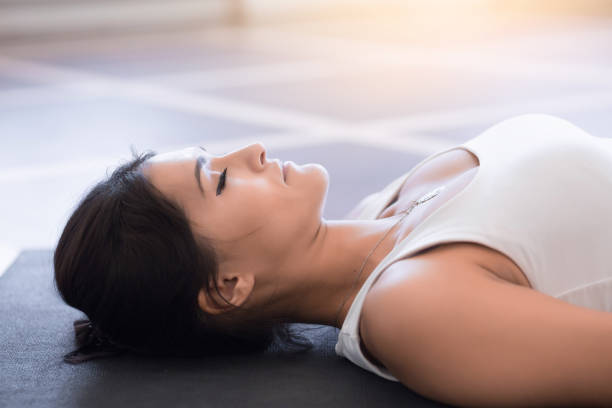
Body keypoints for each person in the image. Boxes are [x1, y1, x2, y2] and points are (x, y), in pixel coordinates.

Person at [54, 114, 612, 406]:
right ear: (227, 285)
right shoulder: (411, 309)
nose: (252, 151)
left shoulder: (381, 206)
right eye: (220, 180)